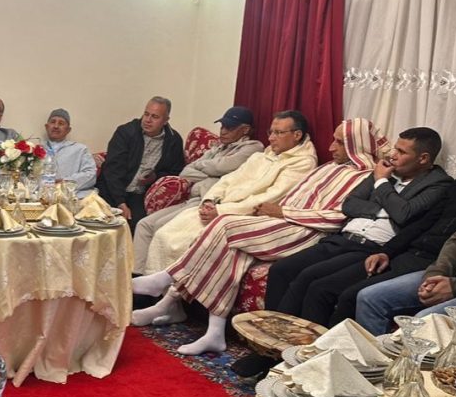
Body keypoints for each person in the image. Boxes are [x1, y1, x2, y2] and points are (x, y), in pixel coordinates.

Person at [131, 119, 384, 356]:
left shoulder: (364, 177)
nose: (331, 147)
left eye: (339, 142)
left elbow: (338, 217)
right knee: (234, 249)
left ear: (356, 144)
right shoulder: (329, 167)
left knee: (226, 225)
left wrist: (282, 212)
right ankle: (214, 330)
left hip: (304, 230)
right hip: (279, 219)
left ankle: (167, 279)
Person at [265, 127, 452, 324]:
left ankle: (294, 339)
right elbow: (349, 204)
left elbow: (403, 214)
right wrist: (384, 209)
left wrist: (381, 182)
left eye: (402, 152)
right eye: (395, 148)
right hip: (343, 238)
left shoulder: (438, 183)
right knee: (281, 269)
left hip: (371, 247)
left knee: (312, 281)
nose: (393, 155)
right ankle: (269, 332)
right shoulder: (387, 169)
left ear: (423, 158)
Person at [330, 125, 456, 333]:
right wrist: (437, 273)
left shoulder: (440, 182)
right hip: (447, 265)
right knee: (366, 297)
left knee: (423, 321)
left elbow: (404, 214)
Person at [139, 110, 318, 274]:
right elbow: (228, 179)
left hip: (242, 215)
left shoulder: (302, 163)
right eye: (270, 132)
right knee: (165, 234)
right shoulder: (262, 156)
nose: (271, 138)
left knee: (182, 242)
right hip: (217, 205)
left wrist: (221, 210)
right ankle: (154, 290)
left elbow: (270, 197)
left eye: (278, 133)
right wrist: (209, 201)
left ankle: (174, 292)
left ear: (297, 135)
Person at [132, 106, 263, 272]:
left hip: (209, 202)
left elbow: (222, 168)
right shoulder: (218, 147)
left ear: (245, 130)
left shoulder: (252, 148)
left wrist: (207, 168)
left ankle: (156, 280)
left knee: (160, 226)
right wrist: (212, 172)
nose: (223, 131)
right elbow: (187, 172)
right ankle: (136, 277)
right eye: (222, 126)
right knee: (144, 224)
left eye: (229, 128)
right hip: (193, 198)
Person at [96, 96, 185, 230]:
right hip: (112, 189)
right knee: (103, 221)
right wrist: (121, 203)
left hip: (139, 194)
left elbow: (175, 172)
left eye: (155, 117)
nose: (148, 120)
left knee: (138, 225)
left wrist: (155, 177)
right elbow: (112, 170)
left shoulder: (173, 140)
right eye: (146, 114)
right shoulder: (125, 132)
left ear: (166, 120)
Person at [41, 108, 98, 196]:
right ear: (46, 126)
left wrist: (65, 182)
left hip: (74, 196)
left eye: (61, 123)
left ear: (68, 130)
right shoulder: (36, 150)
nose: (56, 126)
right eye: (53, 122)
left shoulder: (80, 149)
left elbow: (91, 174)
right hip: (43, 197)